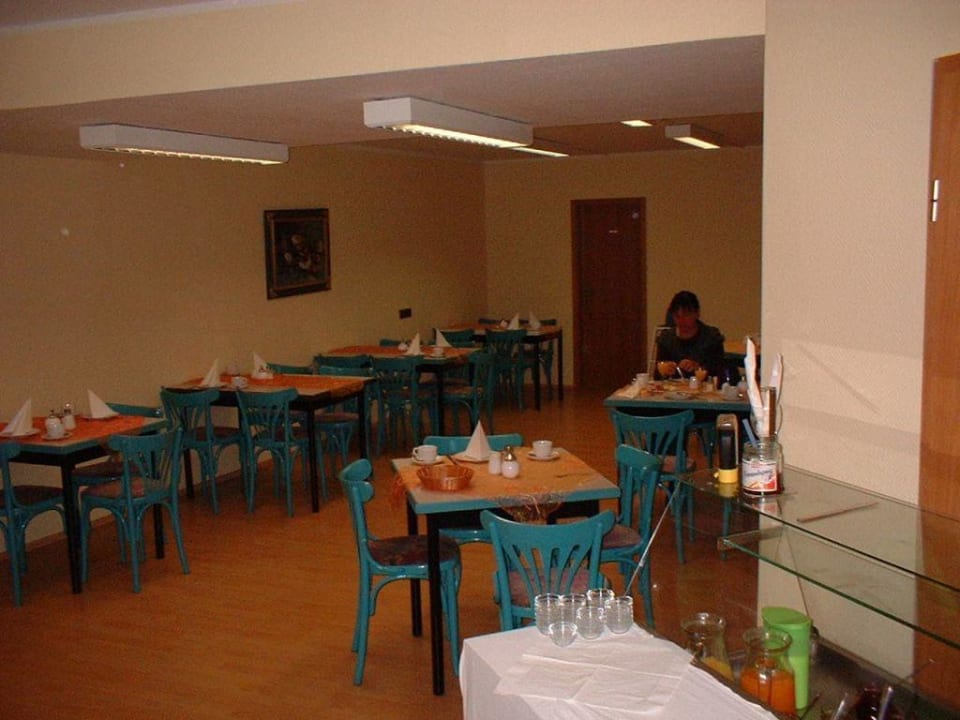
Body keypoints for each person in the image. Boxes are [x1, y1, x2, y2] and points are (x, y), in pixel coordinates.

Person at [655, 291, 726, 378]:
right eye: (677, 316)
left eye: (686, 315)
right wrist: (664, 370)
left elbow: (719, 372)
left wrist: (698, 368)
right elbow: (656, 376)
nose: (681, 321)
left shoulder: (711, 337)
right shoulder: (666, 339)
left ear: (697, 313)